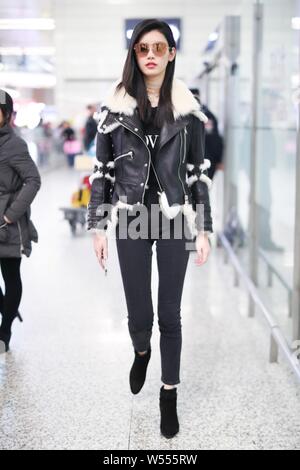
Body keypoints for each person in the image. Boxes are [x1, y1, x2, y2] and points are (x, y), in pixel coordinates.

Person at [87, 19, 213, 439]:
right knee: (141, 313)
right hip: (132, 215)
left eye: (159, 47)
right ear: (134, 55)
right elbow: (102, 172)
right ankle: (142, 350)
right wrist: (98, 226)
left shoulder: (188, 112)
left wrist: (205, 227)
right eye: (143, 48)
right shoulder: (114, 111)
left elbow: (197, 172)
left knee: (170, 314)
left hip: (174, 216)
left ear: (172, 54)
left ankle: (169, 393)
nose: (151, 55)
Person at [0, 89, 41, 353]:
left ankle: (4, 332)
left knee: (10, 275)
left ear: (6, 116)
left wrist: (11, 214)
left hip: (8, 224)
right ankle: (9, 309)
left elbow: (33, 180)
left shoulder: (14, 144)